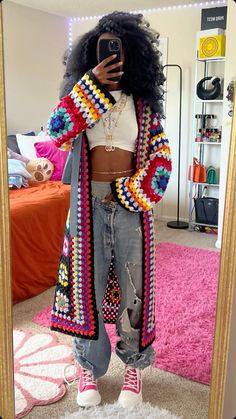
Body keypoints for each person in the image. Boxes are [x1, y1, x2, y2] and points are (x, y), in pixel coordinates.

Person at [48, 11, 172, 409]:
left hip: (130, 203)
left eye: (117, 51)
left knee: (134, 288)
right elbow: (56, 129)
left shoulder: (144, 104)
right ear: (89, 57)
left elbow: (162, 159)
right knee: (88, 287)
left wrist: (132, 193)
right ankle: (88, 364)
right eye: (103, 51)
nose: (110, 58)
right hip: (86, 202)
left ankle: (133, 365)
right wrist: (90, 87)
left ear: (133, 55)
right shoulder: (84, 97)